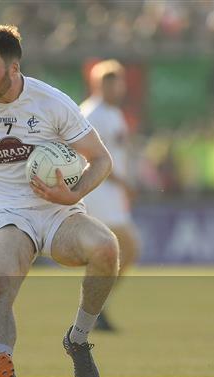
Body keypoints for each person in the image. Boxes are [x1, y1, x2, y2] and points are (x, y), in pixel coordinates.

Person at [0, 25, 119, 377]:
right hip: (12, 215)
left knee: (107, 249)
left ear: (13, 68)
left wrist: (71, 193)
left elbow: (101, 160)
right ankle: (2, 362)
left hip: (60, 213)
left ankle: (77, 339)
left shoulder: (52, 103)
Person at [81, 60, 140, 331]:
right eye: (115, 82)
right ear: (101, 84)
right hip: (99, 191)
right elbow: (89, 156)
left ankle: (95, 307)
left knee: (118, 251)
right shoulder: (91, 114)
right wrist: (122, 182)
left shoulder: (113, 113)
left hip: (112, 192)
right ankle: (94, 307)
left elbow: (120, 151)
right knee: (127, 247)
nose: (120, 88)